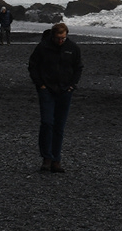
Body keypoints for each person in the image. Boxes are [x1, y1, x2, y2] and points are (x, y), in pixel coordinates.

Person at [28, 21, 83, 173]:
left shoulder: (72, 48)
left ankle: (56, 159)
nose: (60, 41)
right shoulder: (43, 47)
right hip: (47, 89)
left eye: (63, 38)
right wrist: (40, 84)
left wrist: (72, 86)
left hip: (65, 90)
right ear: (53, 35)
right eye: (58, 38)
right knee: (47, 122)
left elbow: (78, 67)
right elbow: (33, 65)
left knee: (59, 126)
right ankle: (46, 157)